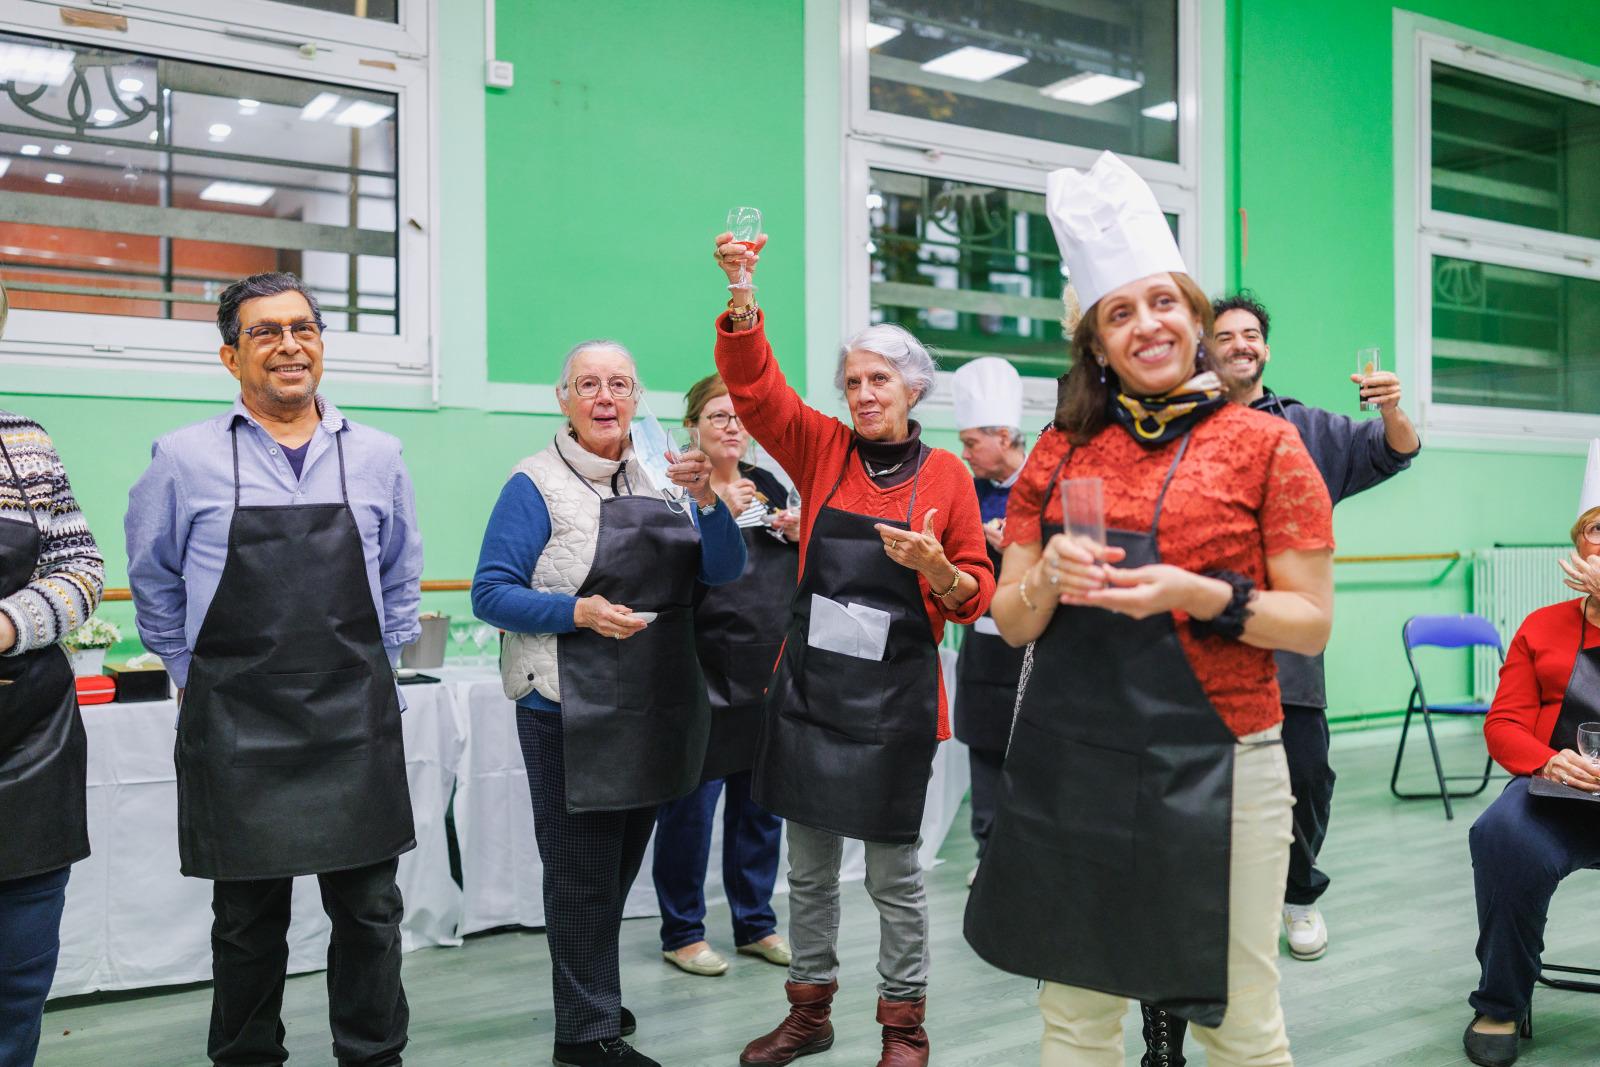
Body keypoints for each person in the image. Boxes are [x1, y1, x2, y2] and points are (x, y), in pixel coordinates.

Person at [963, 151, 1335, 1067]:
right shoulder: (1059, 449)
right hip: (1073, 762)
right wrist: (1047, 577)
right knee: (1076, 1016)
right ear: (1096, 343)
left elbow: (1310, 621)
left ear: (1195, 318)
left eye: (1163, 302)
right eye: (1119, 312)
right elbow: (1013, 618)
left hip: (1221, 767)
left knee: (1237, 1024)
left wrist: (1196, 593)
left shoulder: (1267, 446)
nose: (1147, 324)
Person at [126, 271, 423, 1067]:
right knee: (247, 922)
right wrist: (190, 670)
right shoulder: (182, 457)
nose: (289, 345)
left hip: (354, 719)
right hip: (238, 723)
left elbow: (400, 575)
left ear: (320, 344)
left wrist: (383, 666)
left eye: (303, 328)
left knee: (370, 913)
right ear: (231, 356)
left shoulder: (379, 455)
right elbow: (152, 577)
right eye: (265, 331)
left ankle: (374, 1055)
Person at [712, 232, 994, 1067]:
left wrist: (939, 569)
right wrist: (742, 293)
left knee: (893, 880)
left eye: (879, 380)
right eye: (854, 381)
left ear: (913, 388)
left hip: (894, 710)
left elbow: (974, 592)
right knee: (805, 873)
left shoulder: (947, 476)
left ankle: (904, 1028)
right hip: (809, 697)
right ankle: (809, 1014)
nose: (864, 393)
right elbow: (756, 391)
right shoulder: (822, 448)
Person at [471, 341, 746, 1067]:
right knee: (580, 873)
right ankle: (584, 1036)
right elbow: (490, 594)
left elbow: (724, 570)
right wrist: (579, 612)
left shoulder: (665, 472)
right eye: (588, 383)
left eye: (619, 384)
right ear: (563, 398)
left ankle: (589, 991)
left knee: (616, 867)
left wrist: (710, 500)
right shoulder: (533, 483)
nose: (605, 397)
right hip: (567, 704)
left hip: (651, 699)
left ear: (637, 397)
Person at [1212, 291, 1420, 962]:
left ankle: (1298, 895)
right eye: (1226, 335)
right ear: (1205, 351)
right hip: (1201, 641)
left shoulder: (1305, 428)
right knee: (1207, 780)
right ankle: (1215, 903)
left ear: (1266, 349)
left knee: (1304, 776)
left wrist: (1391, 408)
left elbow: (1394, 450)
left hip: (1287, 648)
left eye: (1251, 334)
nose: (1240, 343)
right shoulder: (1186, 427)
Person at [1459, 439, 1600, 1067]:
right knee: (1500, 833)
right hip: (1557, 796)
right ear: (1578, 548)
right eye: (1597, 531)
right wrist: (1546, 760)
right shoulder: (1542, 626)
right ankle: (1500, 1001)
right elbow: (1503, 725)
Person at [652, 372, 797, 977]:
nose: (732, 427)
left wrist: (801, 531)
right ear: (692, 426)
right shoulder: (671, 490)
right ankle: (682, 930)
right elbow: (659, 573)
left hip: (764, 665)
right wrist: (712, 517)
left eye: (741, 416)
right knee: (690, 809)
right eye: (718, 415)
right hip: (700, 669)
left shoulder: (771, 486)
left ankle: (754, 922)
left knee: (761, 807)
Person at [0, 275, 106, 1067]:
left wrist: (9, 623)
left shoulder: (24, 443)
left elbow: (81, 568)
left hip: (29, 749)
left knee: (18, 979)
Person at [950, 357, 1029, 887]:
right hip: (981, 648)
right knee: (984, 748)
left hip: (1031, 648)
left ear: (1004, 436)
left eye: (971, 443)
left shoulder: (1044, 485)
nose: (965, 454)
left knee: (1031, 753)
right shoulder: (968, 488)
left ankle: (1029, 855)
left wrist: (1019, 543)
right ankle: (988, 850)